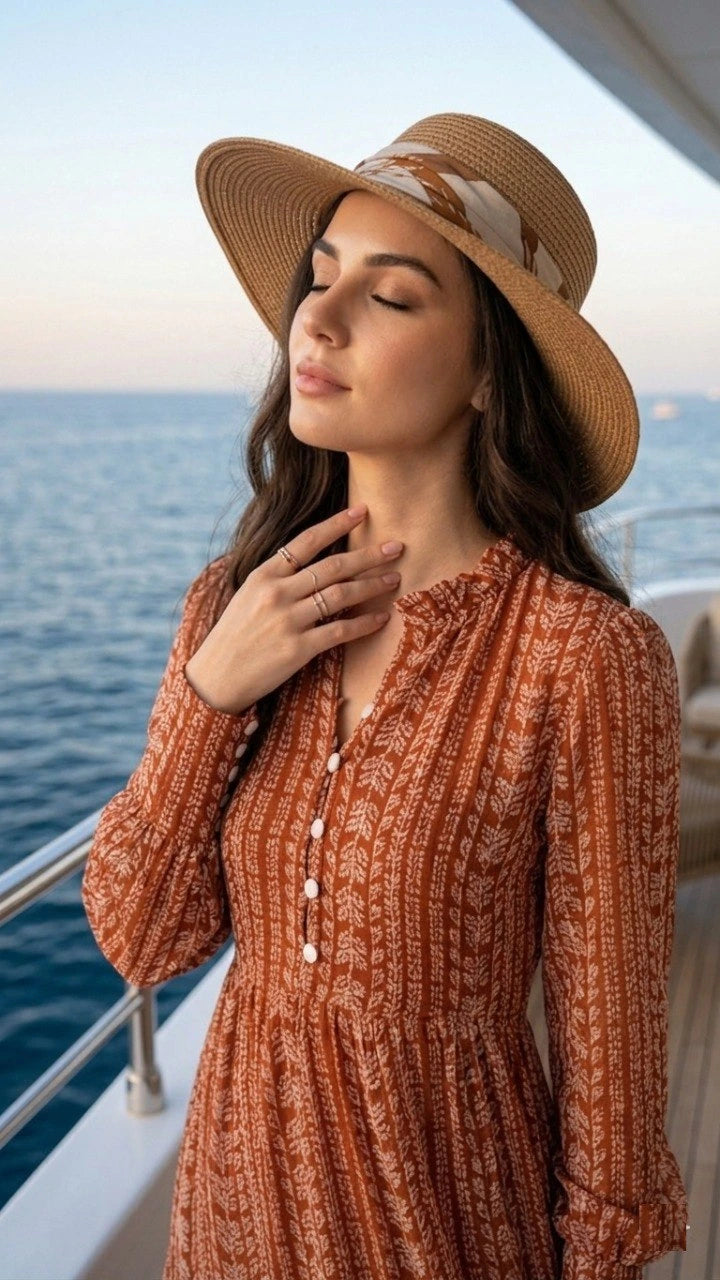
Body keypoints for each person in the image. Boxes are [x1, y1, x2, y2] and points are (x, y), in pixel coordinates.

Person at [81, 113, 690, 1279]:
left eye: (393, 294)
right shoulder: (232, 604)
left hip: (448, 1233)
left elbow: (612, 1067)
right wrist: (212, 692)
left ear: (488, 371)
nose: (319, 318)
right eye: (320, 279)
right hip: (231, 1229)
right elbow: (145, 937)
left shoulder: (582, 657)